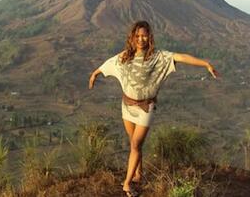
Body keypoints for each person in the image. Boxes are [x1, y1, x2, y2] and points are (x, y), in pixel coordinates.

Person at [88, 20, 219, 197]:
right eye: (137, 36)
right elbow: (109, 64)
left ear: (149, 37)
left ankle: (127, 184)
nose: (141, 39)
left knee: (135, 144)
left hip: (145, 108)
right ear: (132, 38)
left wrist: (205, 64)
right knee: (134, 143)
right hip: (126, 106)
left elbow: (181, 57)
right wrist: (95, 73)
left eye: (144, 35)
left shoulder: (158, 56)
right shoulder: (125, 55)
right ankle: (138, 175)